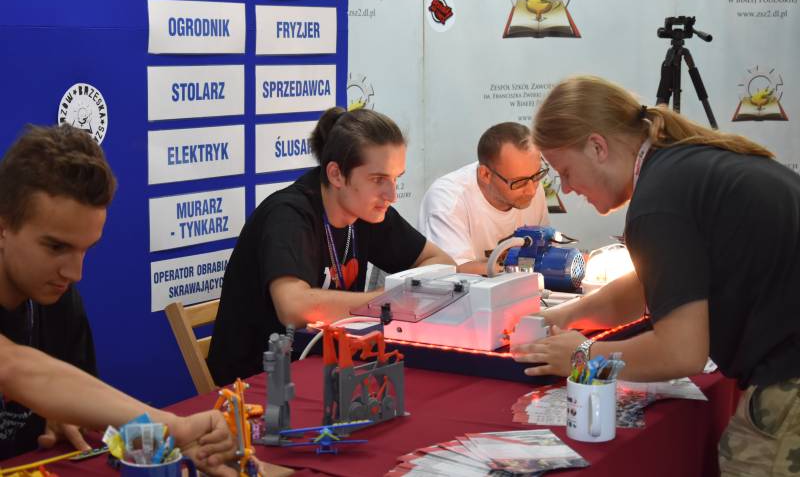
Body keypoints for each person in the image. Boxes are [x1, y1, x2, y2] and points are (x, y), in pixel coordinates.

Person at [512, 75, 800, 475]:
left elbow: (681, 352)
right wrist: (567, 314)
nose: (567, 187)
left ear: (597, 147)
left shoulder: (658, 201)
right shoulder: (680, 169)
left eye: (566, 171)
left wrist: (582, 356)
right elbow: (653, 283)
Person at [0, 125, 242, 475]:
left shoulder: (60, 301)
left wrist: (163, 443)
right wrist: (176, 427)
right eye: (56, 247)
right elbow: (13, 368)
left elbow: (74, 398)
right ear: (4, 226)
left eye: (85, 249)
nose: (74, 273)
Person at [208, 107, 454, 386]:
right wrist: (387, 300)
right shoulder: (288, 215)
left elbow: (441, 262)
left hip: (330, 369)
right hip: (257, 384)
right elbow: (293, 307)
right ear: (336, 175)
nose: (392, 194)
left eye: (396, 178)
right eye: (378, 179)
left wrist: (402, 293)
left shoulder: (368, 209)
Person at [419, 122, 549, 275]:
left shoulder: (531, 184)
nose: (532, 190)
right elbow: (456, 271)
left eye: (537, 175)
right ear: (485, 174)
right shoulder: (447, 200)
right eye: (518, 182)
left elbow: (541, 252)